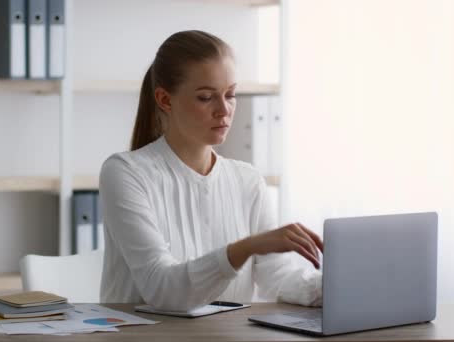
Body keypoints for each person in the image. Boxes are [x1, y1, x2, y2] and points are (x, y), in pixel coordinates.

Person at [99, 30, 323, 311]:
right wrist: (246, 247)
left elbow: (275, 276)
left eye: (230, 95)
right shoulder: (125, 173)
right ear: (165, 100)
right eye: (206, 97)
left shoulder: (247, 179)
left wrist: (334, 287)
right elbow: (163, 290)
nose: (224, 110)